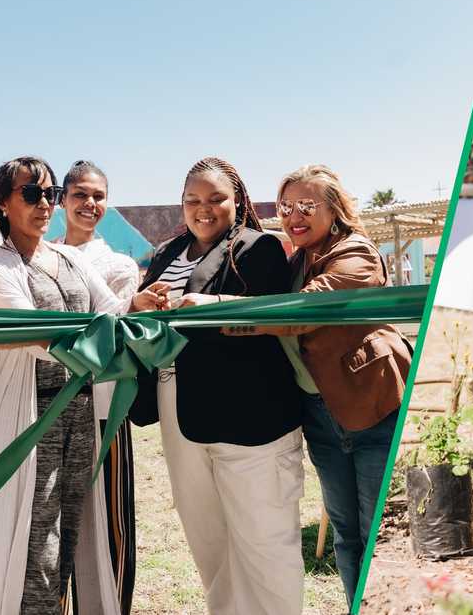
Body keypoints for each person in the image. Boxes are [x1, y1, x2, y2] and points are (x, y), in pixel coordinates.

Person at [0, 157, 166, 614]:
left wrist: (138, 307)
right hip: (31, 416)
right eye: (31, 194)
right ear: (3, 204)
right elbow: (34, 333)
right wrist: (104, 329)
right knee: (33, 538)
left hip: (81, 413)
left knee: (71, 530)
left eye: (49, 195)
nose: (43, 205)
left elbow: (112, 309)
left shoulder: (69, 256)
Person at [222, 165, 413, 608]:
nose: (293, 216)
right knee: (346, 534)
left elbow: (306, 310)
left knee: (375, 531)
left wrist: (223, 313)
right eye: (286, 207)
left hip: (371, 408)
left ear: (334, 208)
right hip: (321, 416)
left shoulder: (357, 253)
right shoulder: (296, 260)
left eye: (306, 206)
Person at [129, 157, 305, 615]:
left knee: (264, 539)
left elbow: (274, 311)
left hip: (249, 415)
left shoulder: (258, 247)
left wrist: (210, 304)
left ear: (237, 200)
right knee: (208, 537)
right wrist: (140, 305)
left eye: (215, 199)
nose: (203, 209)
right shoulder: (167, 253)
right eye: (192, 200)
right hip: (179, 409)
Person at [59, 159, 139, 613]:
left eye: (98, 196)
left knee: (111, 524)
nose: (90, 204)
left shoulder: (118, 265)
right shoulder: (42, 256)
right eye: (80, 195)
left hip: (106, 408)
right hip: (49, 410)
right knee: (59, 521)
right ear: (63, 200)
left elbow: (115, 336)